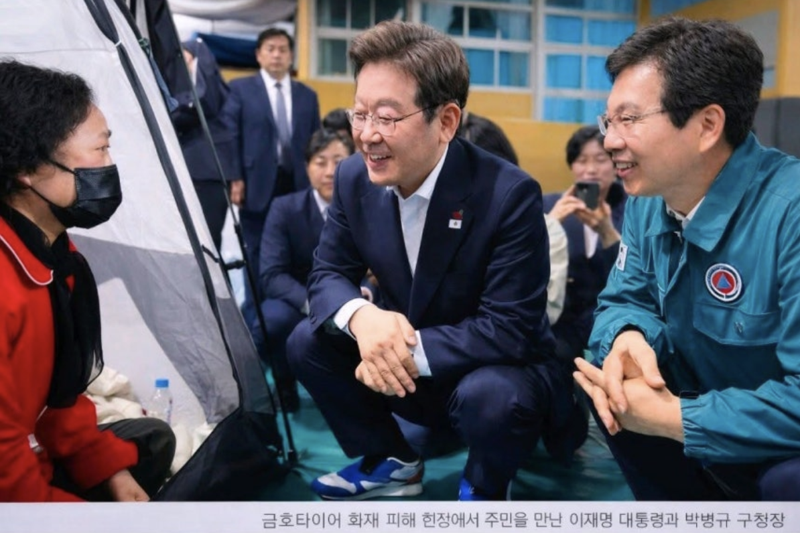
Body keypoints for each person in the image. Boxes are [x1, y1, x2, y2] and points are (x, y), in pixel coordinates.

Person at [287, 20, 579, 501]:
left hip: (490, 371)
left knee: (492, 396)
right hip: (413, 372)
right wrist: (363, 318)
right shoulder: (353, 178)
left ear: (445, 121)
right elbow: (328, 274)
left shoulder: (507, 193)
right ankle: (391, 460)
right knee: (307, 340)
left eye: (387, 117)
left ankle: (486, 484)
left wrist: (394, 349)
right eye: (359, 114)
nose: (367, 135)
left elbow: (509, 327)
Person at [573, 17, 800, 501]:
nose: (610, 140)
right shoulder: (648, 199)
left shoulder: (789, 215)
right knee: (614, 388)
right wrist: (629, 336)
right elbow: (623, 298)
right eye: (609, 120)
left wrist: (675, 417)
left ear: (707, 126)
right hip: (702, 418)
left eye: (630, 119)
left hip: (773, 444)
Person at [0, 60, 175, 501]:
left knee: (151, 442)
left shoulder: (58, 258)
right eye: (100, 150)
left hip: (30, 450)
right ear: (27, 167)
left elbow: (59, 400)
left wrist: (113, 474)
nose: (109, 166)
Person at [223, 28, 321, 345]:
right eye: (270, 48)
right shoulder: (240, 89)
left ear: (291, 56)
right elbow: (230, 135)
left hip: (297, 184)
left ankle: (292, 316)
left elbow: (316, 144)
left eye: (283, 49)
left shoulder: (307, 96)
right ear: (259, 54)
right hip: (256, 185)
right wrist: (234, 177)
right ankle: (255, 328)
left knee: (294, 252)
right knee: (256, 256)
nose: (277, 54)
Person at [255, 128, 361, 412]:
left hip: (354, 300)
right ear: (307, 167)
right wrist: (315, 303)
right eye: (320, 162)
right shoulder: (284, 208)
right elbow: (272, 275)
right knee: (272, 318)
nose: (329, 172)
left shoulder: (366, 206)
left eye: (339, 162)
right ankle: (284, 384)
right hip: (301, 300)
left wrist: (366, 293)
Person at [544, 125, 625, 361]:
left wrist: (608, 232)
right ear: (572, 166)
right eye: (581, 161)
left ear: (615, 165)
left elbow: (636, 273)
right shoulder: (547, 205)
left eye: (600, 160)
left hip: (615, 322)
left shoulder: (635, 207)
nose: (590, 170)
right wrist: (551, 223)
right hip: (560, 327)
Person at [171, 38, 236, 252]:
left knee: (209, 238)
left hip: (208, 175)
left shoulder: (214, 93)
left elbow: (205, 100)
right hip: (191, 172)